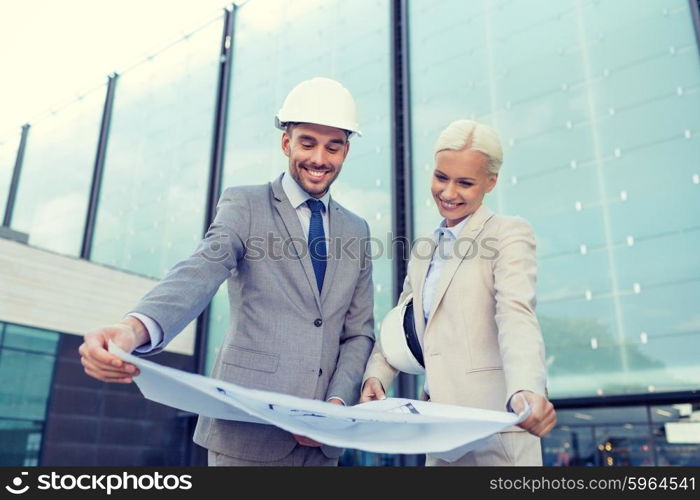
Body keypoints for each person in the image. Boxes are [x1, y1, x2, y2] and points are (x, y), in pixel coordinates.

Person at [78, 77, 375, 466]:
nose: (319, 158)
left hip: (320, 445)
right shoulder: (246, 204)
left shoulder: (357, 230)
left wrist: (334, 406)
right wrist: (133, 329)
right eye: (307, 143)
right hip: (246, 434)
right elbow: (201, 269)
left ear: (346, 151)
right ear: (286, 143)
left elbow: (358, 333)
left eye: (332, 147)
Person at [361, 119, 556, 466]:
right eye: (441, 178)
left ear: (490, 182)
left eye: (465, 183)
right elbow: (402, 320)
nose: (449, 193)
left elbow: (516, 313)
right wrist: (377, 375)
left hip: (496, 433)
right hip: (440, 437)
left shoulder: (508, 234)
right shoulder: (425, 248)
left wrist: (527, 388)